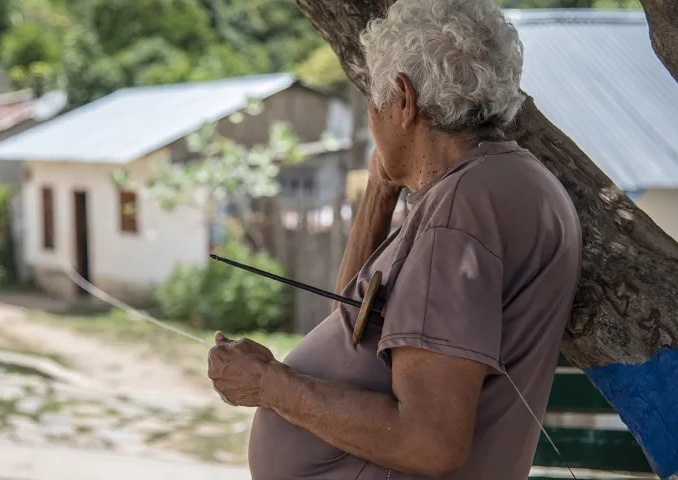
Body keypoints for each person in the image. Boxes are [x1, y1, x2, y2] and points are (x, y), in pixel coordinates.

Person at [206, 0, 582, 479]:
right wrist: (380, 196)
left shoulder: (463, 213)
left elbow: (429, 443)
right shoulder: (505, 182)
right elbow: (350, 327)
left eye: (373, 102)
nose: (371, 119)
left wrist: (268, 384)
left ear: (403, 100)